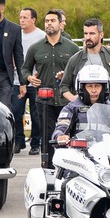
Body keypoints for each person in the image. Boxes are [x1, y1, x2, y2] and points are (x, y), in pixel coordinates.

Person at [21, 9, 79, 165]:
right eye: (47, 21)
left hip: (66, 101)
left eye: (53, 20)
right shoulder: (36, 48)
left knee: (68, 136)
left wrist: (68, 76)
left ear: (60, 24)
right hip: (44, 100)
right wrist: (29, 77)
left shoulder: (72, 48)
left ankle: (67, 166)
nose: (49, 24)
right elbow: (25, 68)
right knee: (47, 136)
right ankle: (47, 167)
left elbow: (80, 71)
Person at [59, 18, 110, 102]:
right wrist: (73, 99)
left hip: (108, 108)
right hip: (82, 110)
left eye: (92, 33)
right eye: (86, 33)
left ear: (101, 35)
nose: (88, 37)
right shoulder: (75, 59)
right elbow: (63, 86)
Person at [12, 7, 46, 154]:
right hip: (17, 80)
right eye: (20, 17)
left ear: (33, 20)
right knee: (16, 111)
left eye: (25, 18)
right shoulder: (16, 34)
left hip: (36, 81)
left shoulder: (41, 36)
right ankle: (19, 141)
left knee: (36, 114)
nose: (22, 20)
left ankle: (36, 143)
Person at [52, 65, 110, 145]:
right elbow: (62, 125)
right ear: (82, 88)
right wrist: (60, 135)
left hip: (108, 152)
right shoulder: (71, 108)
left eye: (97, 86)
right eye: (89, 86)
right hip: (79, 151)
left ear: (104, 88)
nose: (93, 90)